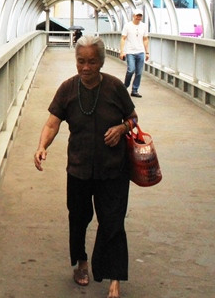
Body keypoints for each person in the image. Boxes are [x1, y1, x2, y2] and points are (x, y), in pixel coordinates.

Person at [34, 35, 139, 298]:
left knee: (113, 221)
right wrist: (42, 146)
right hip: (79, 168)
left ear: (101, 62)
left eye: (92, 62)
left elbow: (133, 118)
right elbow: (52, 123)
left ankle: (115, 278)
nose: (86, 67)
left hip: (113, 169)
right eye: (81, 61)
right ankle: (81, 262)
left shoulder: (115, 87)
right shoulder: (68, 89)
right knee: (78, 218)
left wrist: (122, 128)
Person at [118, 9, 149, 97]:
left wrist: (147, 52)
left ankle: (134, 90)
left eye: (140, 16)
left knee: (139, 72)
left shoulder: (144, 26)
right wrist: (122, 51)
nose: (139, 17)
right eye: (137, 15)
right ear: (133, 16)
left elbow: (145, 39)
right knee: (131, 70)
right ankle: (125, 86)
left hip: (140, 51)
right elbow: (123, 38)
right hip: (130, 51)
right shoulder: (127, 25)